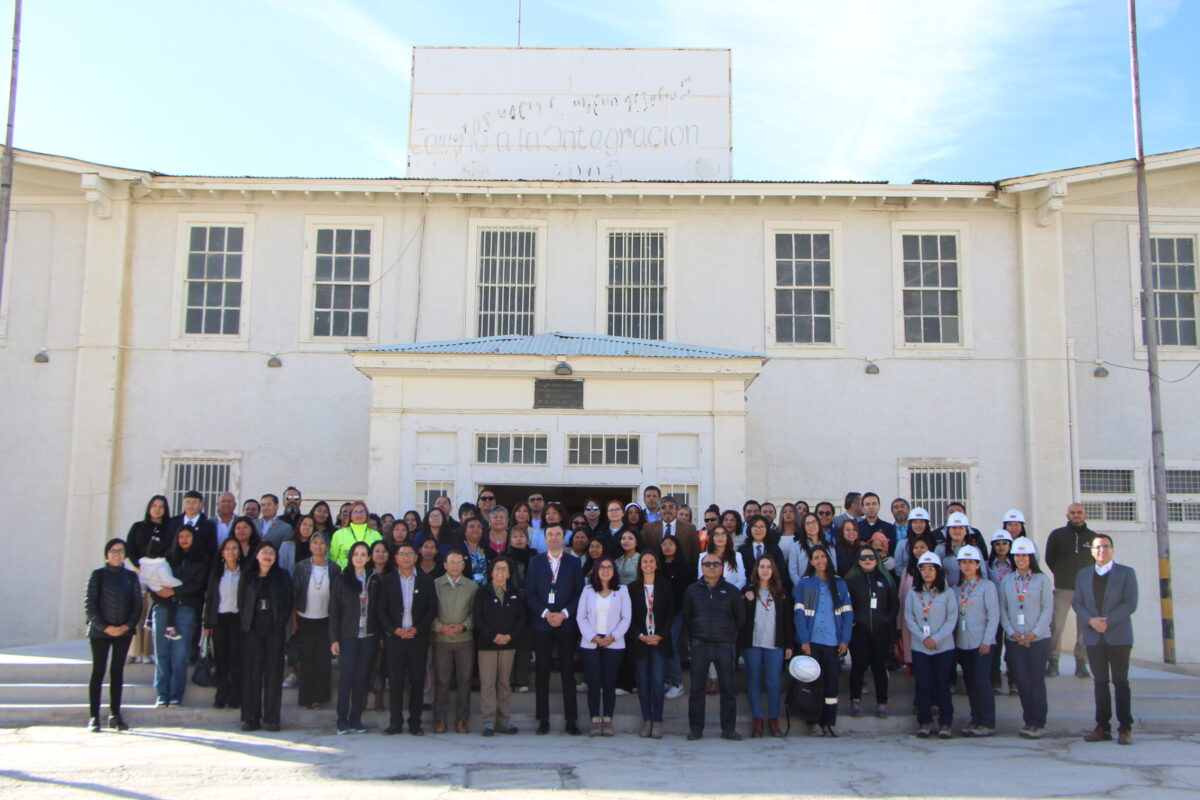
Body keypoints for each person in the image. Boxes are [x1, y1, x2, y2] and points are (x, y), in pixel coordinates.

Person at [1074, 534, 1139, 745]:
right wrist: (1091, 621)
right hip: (1094, 636)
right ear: (1092, 551)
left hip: (1119, 636)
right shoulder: (1083, 575)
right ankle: (1102, 727)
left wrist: (1108, 621)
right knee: (1100, 682)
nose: (1101, 550)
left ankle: (1125, 728)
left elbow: (1130, 603)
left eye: (1105, 546)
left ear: (1112, 549)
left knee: (1120, 681)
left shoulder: (1126, 573)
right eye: (1097, 547)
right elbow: (1078, 603)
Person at [524, 522, 585, 736]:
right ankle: (543, 719)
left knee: (568, 673)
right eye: (550, 534)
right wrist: (546, 614)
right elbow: (529, 593)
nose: (554, 537)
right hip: (542, 624)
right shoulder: (535, 562)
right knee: (542, 673)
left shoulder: (573, 562)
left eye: (558, 534)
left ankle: (571, 720)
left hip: (566, 624)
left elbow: (580, 593)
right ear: (545, 538)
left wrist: (564, 614)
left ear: (564, 537)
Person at [682, 550, 745, 740]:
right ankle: (696, 729)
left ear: (722, 567)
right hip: (700, 644)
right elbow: (687, 618)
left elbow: (740, 618)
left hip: (724, 645)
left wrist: (730, 636)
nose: (711, 567)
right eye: (707, 564)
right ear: (701, 567)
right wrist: (690, 641)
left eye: (715, 564)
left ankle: (728, 729)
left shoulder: (732, 591)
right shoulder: (692, 590)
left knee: (727, 689)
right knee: (696, 690)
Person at [378, 541, 437, 736]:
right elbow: (381, 611)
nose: (405, 558)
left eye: (409, 554)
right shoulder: (387, 581)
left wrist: (418, 629)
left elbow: (431, 610)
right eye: (401, 554)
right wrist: (393, 630)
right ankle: (395, 722)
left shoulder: (426, 581)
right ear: (396, 558)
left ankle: (415, 723)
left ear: (416, 557)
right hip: (395, 639)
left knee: (417, 681)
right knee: (395, 681)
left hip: (417, 639)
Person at [793, 544, 852, 736]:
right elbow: (800, 614)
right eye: (816, 557)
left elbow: (847, 614)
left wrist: (845, 639)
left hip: (833, 642)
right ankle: (814, 722)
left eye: (823, 557)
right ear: (811, 562)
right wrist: (804, 640)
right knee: (813, 683)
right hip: (812, 641)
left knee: (831, 684)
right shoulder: (806, 584)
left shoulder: (839, 584)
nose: (820, 560)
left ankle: (828, 721)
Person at [85, 538, 141, 732]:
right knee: (98, 672)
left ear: (125, 554)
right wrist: (105, 627)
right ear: (107, 554)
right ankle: (94, 717)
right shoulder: (97, 575)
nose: (117, 554)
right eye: (113, 550)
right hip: (100, 632)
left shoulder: (131, 576)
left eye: (121, 550)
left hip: (123, 632)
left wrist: (126, 625)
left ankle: (115, 715)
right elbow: (90, 605)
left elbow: (137, 605)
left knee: (117, 672)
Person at [999, 538, 1053, 739]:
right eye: (1017, 555)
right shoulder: (1007, 580)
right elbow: (1003, 609)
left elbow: (1048, 609)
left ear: (1031, 557)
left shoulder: (1041, 580)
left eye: (1024, 555)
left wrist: (1034, 633)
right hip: (1015, 640)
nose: (1021, 558)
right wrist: (1012, 632)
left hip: (1038, 640)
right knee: (1021, 681)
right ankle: (1028, 720)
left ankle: (1039, 722)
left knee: (1036, 681)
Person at [238, 541, 293, 732]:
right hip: (252, 630)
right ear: (257, 555)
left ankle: (272, 718)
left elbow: (288, 602)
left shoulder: (282, 576)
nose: (268, 555)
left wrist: (279, 624)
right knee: (252, 674)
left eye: (271, 552)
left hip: (274, 630)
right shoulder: (248, 576)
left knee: (273, 674)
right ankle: (250, 717)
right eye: (264, 552)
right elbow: (241, 602)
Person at [329, 541, 381, 734]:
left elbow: (379, 610)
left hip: (368, 636)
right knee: (347, 678)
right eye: (356, 554)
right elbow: (334, 610)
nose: (359, 558)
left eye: (363, 554)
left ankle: (356, 718)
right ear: (351, 557)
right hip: (348, 635)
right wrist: (334, 639)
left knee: (361, 678)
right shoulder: (342, 579)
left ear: (368, 558)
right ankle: (342, 719)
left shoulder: (374, 579)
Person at [151, 527, 206, 707]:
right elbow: (153, 580)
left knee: (180, 654)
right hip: (163, 608)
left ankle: (176, 692)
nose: (184, 539)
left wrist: (174, 591)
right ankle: (162, 692)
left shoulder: (201, 560)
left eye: (187, 536)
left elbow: (198, 585)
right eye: (180, 536)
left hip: (185, 609)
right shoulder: (167, 558)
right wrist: (162, 593)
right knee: (162, 652)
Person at [740, 554, 793, 737]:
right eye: (761, 566)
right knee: (753, 680)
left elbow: (787, 621)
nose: (765, 570)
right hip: (752, 643)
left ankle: (773, 719)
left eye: (768, 567)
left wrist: (788, 645)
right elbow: (741, 618)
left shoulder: (781, 592)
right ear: (756, 569)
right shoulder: (747, 591)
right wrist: (745, 599)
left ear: (773, 570)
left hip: (775, 644)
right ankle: (757, 720)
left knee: (774, 682)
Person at [905, 551, 957, 738]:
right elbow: (909, 618)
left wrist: (937, 638)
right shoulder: (913, 593)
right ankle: (924, 721)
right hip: (920, 648)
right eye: (923, 569)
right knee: (923, 685)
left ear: (938, 571)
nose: (927, 572)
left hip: (943, 647)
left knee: (942, 685)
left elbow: (952, 618)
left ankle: (945, 723)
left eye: (931, 568)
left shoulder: (948, 592)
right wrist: (923, 638)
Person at [578, 557, 632, 737]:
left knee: (609, 683)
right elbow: (581, 617)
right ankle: (594, 719)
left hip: (614, 642)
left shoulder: (622, 591)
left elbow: (626, 618)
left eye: (610, 567)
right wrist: (593, 637)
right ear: (596, 570)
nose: (606, 570)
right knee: (593, 683)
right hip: (591, 642)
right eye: (602, 567)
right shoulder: (587, 590)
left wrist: (613, 637)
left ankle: (608, 719)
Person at [845, 543, 899, 719]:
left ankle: (882, 703)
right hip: (859, 630)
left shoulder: (886, 579)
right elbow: (846, 604)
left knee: (879, 667)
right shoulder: (851, 581)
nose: (867, 560)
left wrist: (887, 620)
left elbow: (894, 603)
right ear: (858, 561)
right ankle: (855, 701)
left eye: (871, 557)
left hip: (880, 630)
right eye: (863, 558)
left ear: (876, 560)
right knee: (858, 667)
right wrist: (852, 623)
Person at [472, 555, 524, 736]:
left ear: (509, 574)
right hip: (487, 644)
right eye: (497, 569)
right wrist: (493, 636)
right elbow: (478, 619)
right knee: (487, 683)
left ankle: (503, 720)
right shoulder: (482, 592)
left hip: (508, 645)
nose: (501, 572)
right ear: (492, 572)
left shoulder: (515, 594)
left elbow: (520, 619)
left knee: (504, 683)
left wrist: (509, 636)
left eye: (504, 569)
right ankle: (488, 721)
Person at [1044, 503, 1097, 678]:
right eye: (1073, 513)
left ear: (1085, 515)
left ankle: (1081, 662)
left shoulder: (1093, 538)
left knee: (1085, 628)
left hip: (1086, 590)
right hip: (1063, 588)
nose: (1076, 515)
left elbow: (1099, 562)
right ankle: (1053, 661)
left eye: (1079, 513)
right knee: (1056, 626)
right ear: (1067, 515)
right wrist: (1062, 574)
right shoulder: (1057, 535)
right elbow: (1049, 558)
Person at [953, 545, 1000, 737]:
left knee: (982, 681)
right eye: (963, 562)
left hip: (982, 643)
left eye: (971, 562)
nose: (967, 566)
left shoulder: (986, 586)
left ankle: (987, 721)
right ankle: (976, 719)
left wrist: (987, 640)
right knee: (970, 683)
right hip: (963, 643)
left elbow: (993, 615)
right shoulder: (956, 589)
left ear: (978, 565)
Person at [628, 550, 674, 738]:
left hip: (659, 642)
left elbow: (671, 614)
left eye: (651, 561)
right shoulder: (632, 588)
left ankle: (658, 720)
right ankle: (647, 719)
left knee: (657, 681)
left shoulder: (665, 586)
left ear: (656, 565)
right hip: (641, 641)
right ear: (640, 565)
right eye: (644, 561)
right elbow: (628, 616)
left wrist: (660, 635)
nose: (648, 564)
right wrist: (640, 635)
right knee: (643, 682)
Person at [431, 551, 477, 733]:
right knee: (442, 680)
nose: (455, 566)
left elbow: (476, 613)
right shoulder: (435, 585)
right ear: (444, 565)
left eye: (459, 563)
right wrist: (439, 627)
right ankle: (440, 719)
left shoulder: (472, 587)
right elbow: (428, 610)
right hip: (441, 639)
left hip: (464, 640)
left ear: (464, 566)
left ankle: (461, 719)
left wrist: (464, 626)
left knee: (464, 680)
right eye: (452, 562)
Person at [292, 531, 338, 710]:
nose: (318, 546)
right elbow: (295, 594)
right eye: (315, 542)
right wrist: (295, 620)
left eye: (322, 543)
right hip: (305, 619)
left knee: (323, 660)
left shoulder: (334, 568)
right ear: (310, 546)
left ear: (327, 547)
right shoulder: (301, 566)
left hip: (325, 619)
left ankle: (319, 698)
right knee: (307, 659)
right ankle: (305, 699)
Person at [125, 495, 170, 664]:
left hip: (159, 575)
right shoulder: (138, 527)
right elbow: (130, 547)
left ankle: (150, 650)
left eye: (161, 506)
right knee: (138, 612)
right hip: (140, 573)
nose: (157, 509)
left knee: (153, 613)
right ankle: (135, 650)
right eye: (154, 505)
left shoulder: (169, 528)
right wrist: (140, 565)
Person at [204, 537, 245, 710]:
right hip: (219, 619)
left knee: (236, 658)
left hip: (237, 619)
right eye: (227, 548)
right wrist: (207, 622)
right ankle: (221, 694)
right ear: (222, 552)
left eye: (234, 548)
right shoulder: (216, 573)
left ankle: (235, 696)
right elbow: (210, 598)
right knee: (221, 659)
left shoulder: (244, 572)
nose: (231, 551)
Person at [658, 535, 693, 701]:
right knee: (661, 644)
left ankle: (677, 682)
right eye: (664, 544)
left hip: (676, 612)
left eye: (670, 544)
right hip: (659, 613)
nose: (666, 546)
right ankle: (665, 679)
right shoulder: (658, 565)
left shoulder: (683, 567)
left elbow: (685, 593)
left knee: (671, 643)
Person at [987, 529, 1017, 694]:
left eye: (1004, 543)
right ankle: (995, 681)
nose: (1001, 547)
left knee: (1013, 647)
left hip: (1013, 611)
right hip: (994, 611)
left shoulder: (1016, 565)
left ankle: (1014, 681)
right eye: (997, 544)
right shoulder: (988, 565)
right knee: (995, 647)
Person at [138, 536, 183, 641]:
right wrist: (179, 584)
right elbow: (167, 579)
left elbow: (142, 578)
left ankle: (149, 620)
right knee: (172, 607)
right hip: (163, 588)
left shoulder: (144, 563)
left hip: (152, 588)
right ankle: (170, 628)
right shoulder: (162, 564)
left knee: (155, 602)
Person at [641, 495, 701, 565]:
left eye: (671, 507)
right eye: (663, 507)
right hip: (656, 572)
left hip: (682, 573)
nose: (667, 510)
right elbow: (643, 551)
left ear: (677, 510)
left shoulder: (690, 529)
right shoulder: (648, 528)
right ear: (659, 510)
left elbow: (696, 555)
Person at [738, 515, 787, 592]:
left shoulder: (774, 548)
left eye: (762, 527)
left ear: (767, 529)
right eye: (755, 526)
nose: (758, 530)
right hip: (749, 592)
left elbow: (781, 571)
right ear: (750, 529)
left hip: (771, 590)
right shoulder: (742, 550)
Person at [329, 502, 383, 570]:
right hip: (344, 575)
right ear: (350, 516)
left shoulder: (376, 535)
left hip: (368, 575)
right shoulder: (339, 534)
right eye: (355, 512)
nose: (359, 514)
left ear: (366, 515)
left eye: (362, 512)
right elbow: (332, 559)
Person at [787, 512, 835, 585]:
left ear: (819, 524)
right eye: (808, 523)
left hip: (826, 589)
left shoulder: (829, 547)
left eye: (814, 522)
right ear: (804, 527)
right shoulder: (796, 546)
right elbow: (792, 572)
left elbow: (833, 569)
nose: (811, 525)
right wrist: (803, 587)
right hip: (803, 589)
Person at [169, 490, 218, 557]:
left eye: (194, 502)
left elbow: (211, 550)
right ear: (183, 503)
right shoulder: (173, 523)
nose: (190, 505)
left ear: (201, 505)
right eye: (187, 502)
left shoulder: (209, 525)